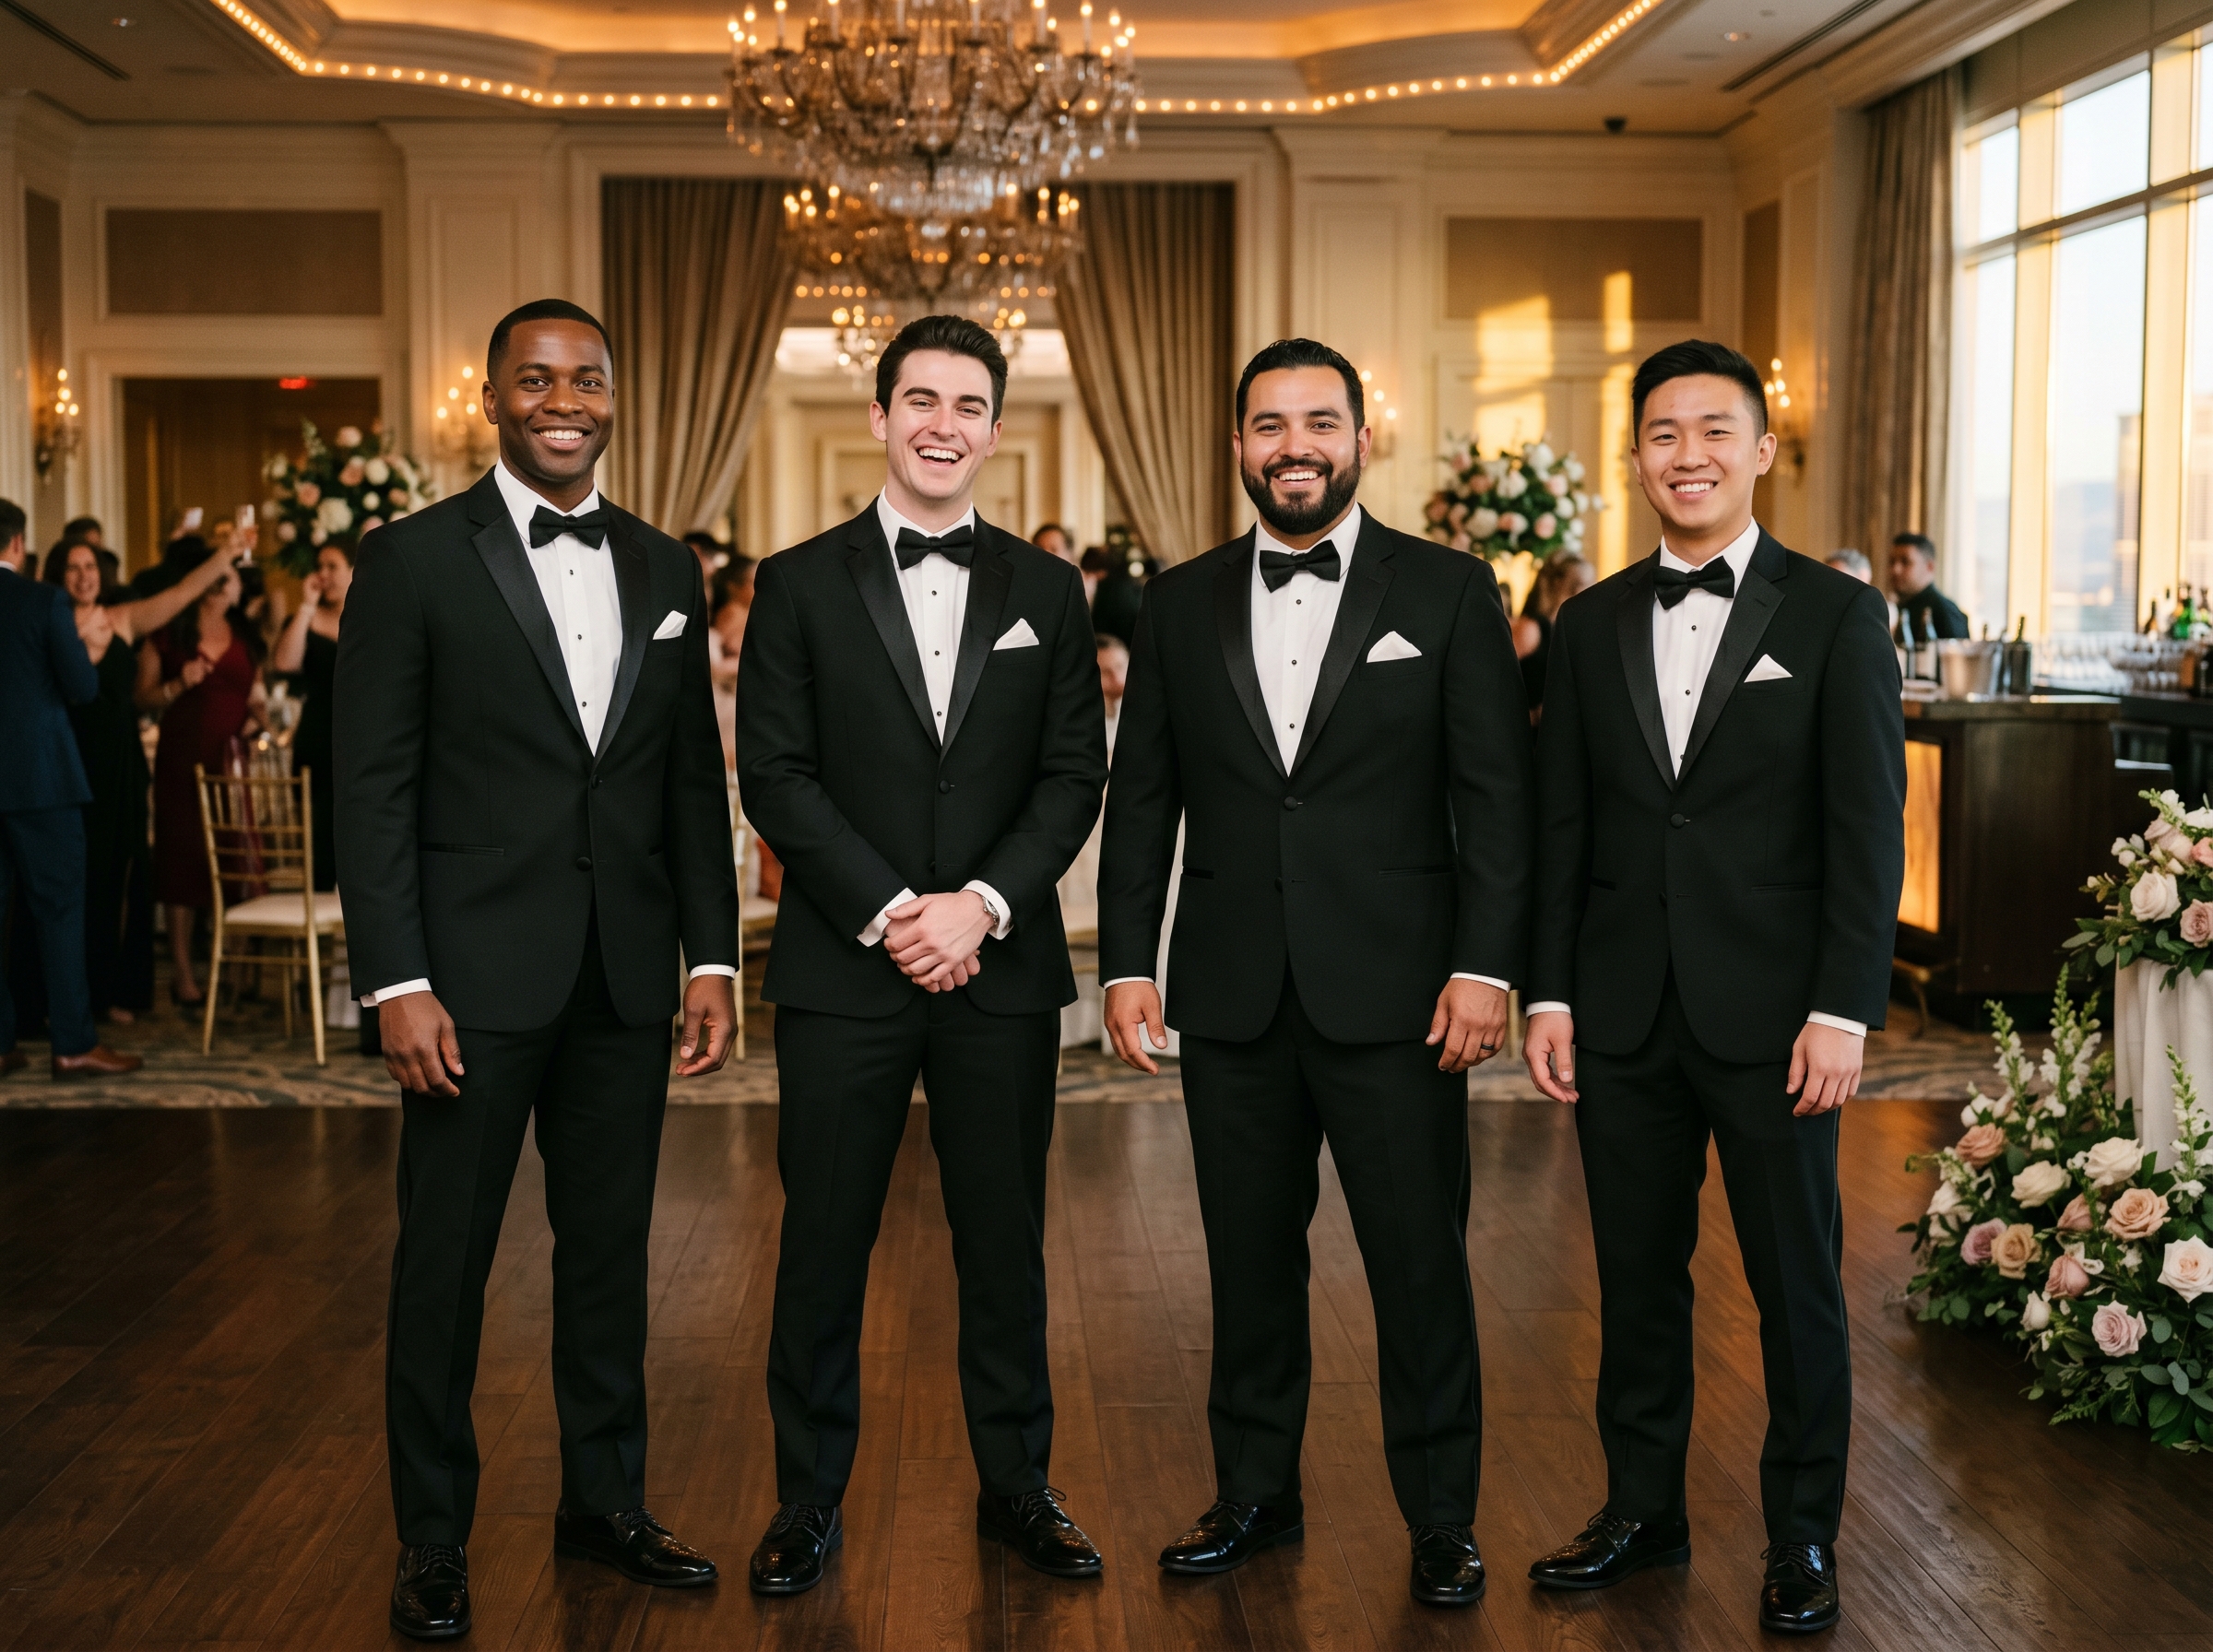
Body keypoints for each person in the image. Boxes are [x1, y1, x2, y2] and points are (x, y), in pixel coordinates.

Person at [1098, 337, 1534, 1609]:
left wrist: (1484, 969)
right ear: (1238, 443)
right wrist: (1130, 963)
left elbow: (1494, 802)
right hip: (1230, 994)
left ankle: (1442, 1519)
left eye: (1320, 422)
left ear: (1359, 438)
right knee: (1245, 1263)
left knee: (1419, 1265)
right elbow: (1144, 803)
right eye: (1270, 423)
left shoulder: (1451, 590)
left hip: (1404, 998)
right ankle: (1253, 1494)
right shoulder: (1175, 599)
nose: (1295, 444)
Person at [335, 299, 740, 1641]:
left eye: (588, 380)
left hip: (624, 979)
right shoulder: (410, 560)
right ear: (493, 396)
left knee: (611, 1259)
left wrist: (713, 955)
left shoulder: (666, 567)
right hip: (464, 986)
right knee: (443, 1269)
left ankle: (603, 1503)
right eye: (538, 379)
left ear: (614, 397)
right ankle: (433, 1538)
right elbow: (373, 788)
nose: (564, 399)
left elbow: (689, 784)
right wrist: (394, 980)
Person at [1520, 340, 1903, 1636]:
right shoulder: (1588, 625)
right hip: (1622, 1015)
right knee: (1634, 1279)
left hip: (1780, 1021)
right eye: (1663, 434)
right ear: (1635, 458)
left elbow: (1868, 832)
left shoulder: (1839, 618)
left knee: (1796, 1286)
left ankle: (1802, 1535)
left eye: (1713, 431)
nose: (1687, 455)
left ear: (1762, 450)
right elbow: (1560, 827)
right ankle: (1643, 1508)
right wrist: (1550, 993)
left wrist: (1846, 1006)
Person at [735, 314, 1108, 1597]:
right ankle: (806, 1499)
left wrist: (982, 907)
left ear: (994, 432)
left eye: (967, 404)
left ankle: (1018, 1487)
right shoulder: (795, 583)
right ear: (881, 418)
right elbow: (772, 774)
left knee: (1002, 1240)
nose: (943, 423)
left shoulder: (1049, 594)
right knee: (824, 1238)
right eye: (920, 401)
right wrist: (897, 907)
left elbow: (1073, 777)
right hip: (846, 967)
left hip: (998, 968)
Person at [44, 533, 247, 1023]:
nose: (84, 576)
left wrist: (225, 555)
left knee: (123, 878)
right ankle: (65, 999)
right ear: (58, 576)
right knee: (72, 881)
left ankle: (115, 990)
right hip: (65, 761)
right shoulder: (44, 623)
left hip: (119, 765)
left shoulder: (122, 619)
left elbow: (179, 595)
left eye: (90, 566)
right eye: (72, 568)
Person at [0, 497, 141, 1080]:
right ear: (17, 544)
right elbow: (83, 687)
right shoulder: (42, 600)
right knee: (60, 908)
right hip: (42, 779)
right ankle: (74, 1043)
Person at [137, 540, 265, 1009]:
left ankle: (233, 969)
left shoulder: (245, 635)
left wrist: (259, 717)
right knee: (181, 860)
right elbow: (142, 697)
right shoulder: (171, 633)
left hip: (231, 764)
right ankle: (183, 971)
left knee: (238, 857)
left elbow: (254, 693)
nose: (224, 585)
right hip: (183, 759)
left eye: (229, 577)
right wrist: (175, 684)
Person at [272, 542, 352, 888]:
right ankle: (318, 931)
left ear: (353, 571)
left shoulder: (371, 617)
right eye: (320, 566)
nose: (324, 574)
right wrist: (306, 605)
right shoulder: (307, 619)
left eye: (333, 566)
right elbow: (285, 663)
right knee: (320, 841)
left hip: (359, 741)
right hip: (317, 741)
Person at [1513, 549, 1593, 715]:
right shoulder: (1532, 629)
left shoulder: (1572, 630)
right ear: (1561, 584)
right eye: (1587, 584)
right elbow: (1493, 681)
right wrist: (1534, 715)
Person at [1889, 532, 1968, 640]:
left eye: (1905, 562)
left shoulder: (1944, 610)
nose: (1895, 570)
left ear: (1929, 567)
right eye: (1892, 562)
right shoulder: (1898, 608)